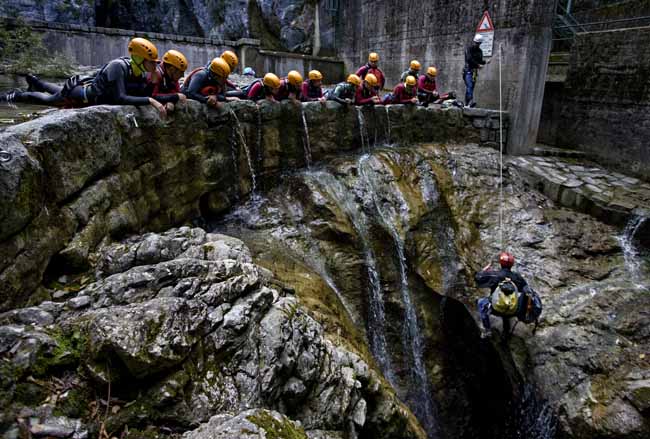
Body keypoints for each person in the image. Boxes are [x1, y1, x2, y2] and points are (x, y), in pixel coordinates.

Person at [1, 38, 168, 117]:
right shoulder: (119, 67)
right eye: (151, 62)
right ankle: (14, 95)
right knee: (51, 100)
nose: (155, 66)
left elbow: (138, 94)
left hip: (84, 88)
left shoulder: (137, 71)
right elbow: (121, 97)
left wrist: (151, 84)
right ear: (139, 59)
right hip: (82, 95)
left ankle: (36, 81)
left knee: (59, 91)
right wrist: (150, 101)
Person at [475, 252, 530, 340]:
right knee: (507, 306)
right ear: (512, 265)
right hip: (512, 310)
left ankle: (487, 330)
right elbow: (526, 289)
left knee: (480, 302)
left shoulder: (495, 275)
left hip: (496, 308)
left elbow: (478, 277)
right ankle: (506, 332)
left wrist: (485, 270)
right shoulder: (517, 278)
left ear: (500, 263)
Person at [464, 34, 487, 107]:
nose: (477, 44)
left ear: (480, 43)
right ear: (474, 42)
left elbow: (480, 61)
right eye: (476, 43)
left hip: (474, 72)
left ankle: (466, 104)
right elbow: (469, 59)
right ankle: (470, 101)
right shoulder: (469, 49)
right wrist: (478, 65)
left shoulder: (480, 51)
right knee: (469, 85)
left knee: (470, 88)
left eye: (478, 43)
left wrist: (485, 62)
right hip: (468, 70)